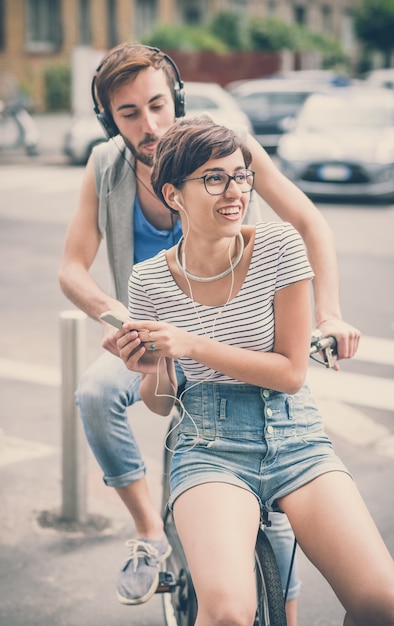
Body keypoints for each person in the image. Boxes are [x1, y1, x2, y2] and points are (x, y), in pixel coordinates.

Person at [58, 43, 360, 620]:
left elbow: (306, 220)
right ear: (108, 120)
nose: (149, 125)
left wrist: (330, 313)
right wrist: (123, 322)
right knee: (97, 392)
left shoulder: (223, 150)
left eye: (157, 104)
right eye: (128, 113)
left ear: (176, 96)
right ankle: (150, 531)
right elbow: (72, 268)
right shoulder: (104, 168)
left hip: (248, 333)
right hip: (150, 331)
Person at [116, 116, 394, 626]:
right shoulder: (148, 280)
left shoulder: (279, 247)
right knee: (226, 613)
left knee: (382, 602)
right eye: (214, 178)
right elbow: (160, 403)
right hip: (207, 444)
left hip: (296, 435)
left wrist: (191, 344)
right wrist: (151, 366)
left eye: (240, 175)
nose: (234, 191)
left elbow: (291, 373)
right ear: (174, 194)